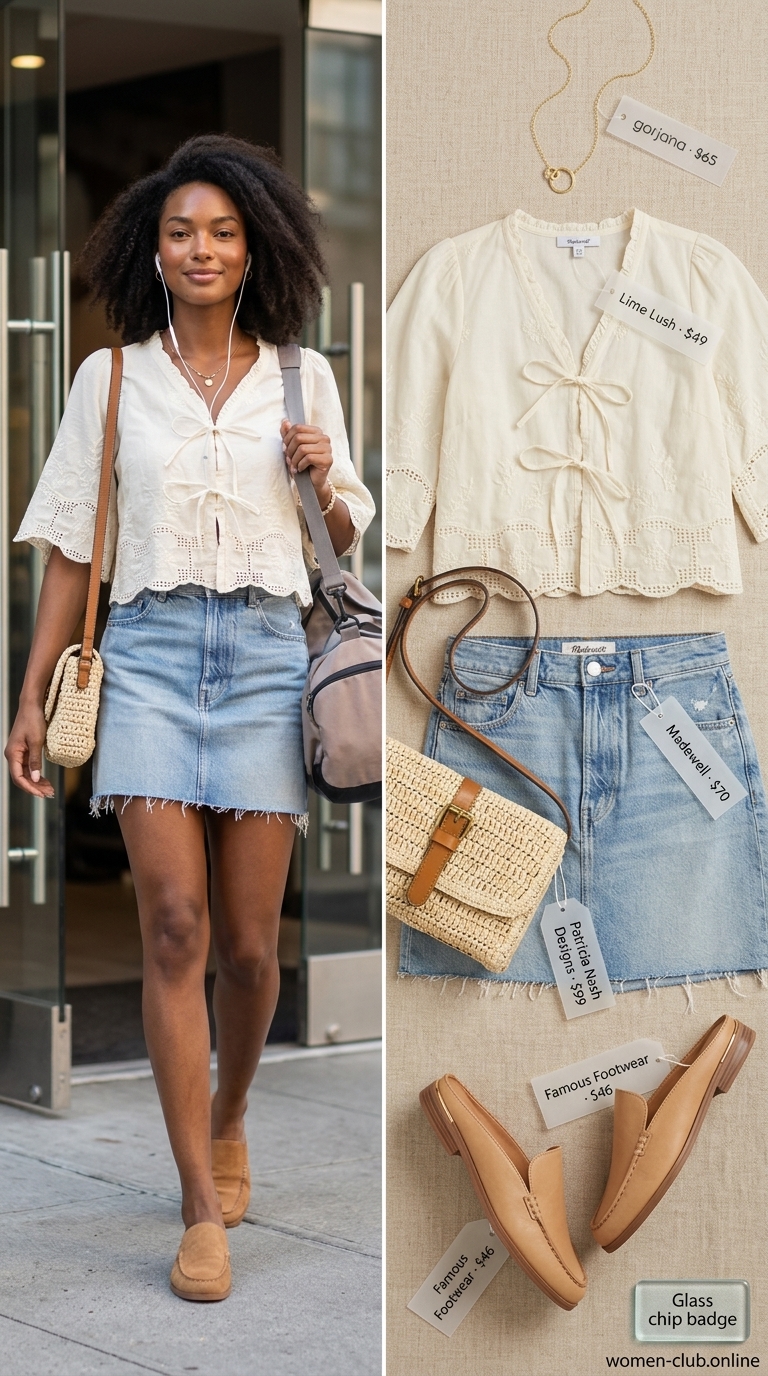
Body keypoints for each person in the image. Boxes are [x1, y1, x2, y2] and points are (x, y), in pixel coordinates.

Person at [5, 134, 375, 1302]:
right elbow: (75, 545)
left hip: (265, 658)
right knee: (174, 925)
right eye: (180, 232)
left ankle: (230, 1110)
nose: (201, 248)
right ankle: (199, 1204)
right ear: (152, 251)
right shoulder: (110, 380)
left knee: (253, 946)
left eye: (221, 230)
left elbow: (344, 541)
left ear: (255, 246)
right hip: (151, 657)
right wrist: (32, 691)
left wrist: (322, 475)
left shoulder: (303, 379)